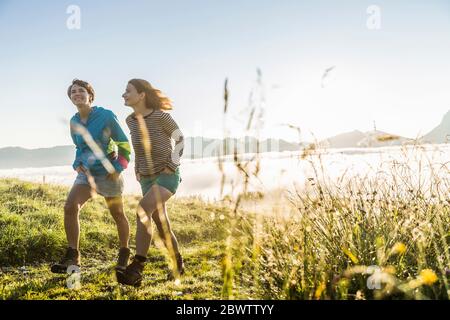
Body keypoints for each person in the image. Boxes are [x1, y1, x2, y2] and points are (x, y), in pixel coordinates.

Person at [51, 79, 132, 275]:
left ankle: (124, 252)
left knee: (118, 215)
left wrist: (118, 168)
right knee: (70, 207)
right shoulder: (74, 121)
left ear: (90, 95)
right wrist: (77, 163)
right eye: (73, 92)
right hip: (86, 174)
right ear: (71, 98)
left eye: (81, 91)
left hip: (109, 173)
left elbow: (123, 143)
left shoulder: (105, 116)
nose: (76, 94)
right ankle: (73, 256)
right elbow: (79, 147)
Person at [117, 79, 184, 287]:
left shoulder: (161, 117)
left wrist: (172, 165)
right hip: (146, 177)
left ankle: (137, 266)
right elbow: (139, 147)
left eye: (128, 91)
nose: (123, 95)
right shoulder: (131, 120)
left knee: (142, 210)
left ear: (142, 94)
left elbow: (180, 140)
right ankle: (178, 264)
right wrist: (137, 169)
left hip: (166, 174)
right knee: (161, 225)